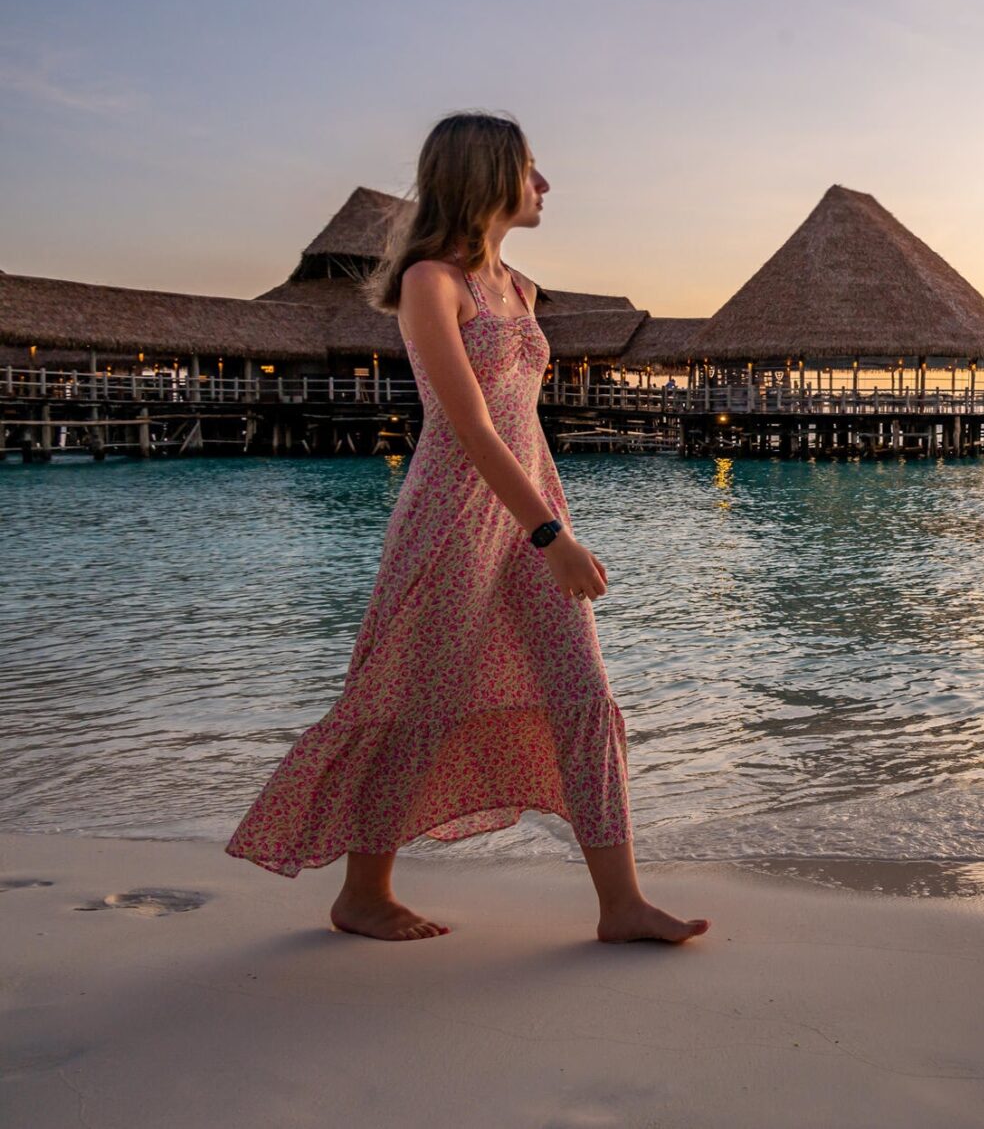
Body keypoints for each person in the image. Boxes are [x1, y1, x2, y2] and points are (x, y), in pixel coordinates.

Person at [225, 110, 710, 946]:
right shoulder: (430, 283)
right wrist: (553, 539)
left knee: (583, 694)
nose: (546, 185)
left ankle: (621, 903)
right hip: (456, 517)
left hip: (530, 503)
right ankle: (363, 893)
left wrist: (548, 524)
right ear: (485, 178)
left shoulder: (516, 287)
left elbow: (518, 424)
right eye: (530, 170)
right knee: (414, 696)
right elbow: (471, 426)